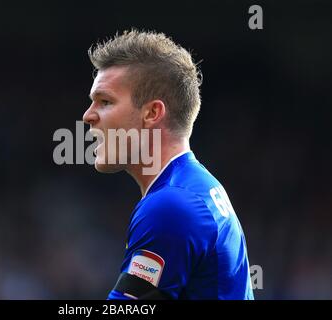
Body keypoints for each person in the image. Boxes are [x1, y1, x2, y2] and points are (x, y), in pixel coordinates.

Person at [82, 29, 254, 300]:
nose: (88, 115)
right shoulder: (197, 187)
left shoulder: (171, 206)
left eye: (105, 102)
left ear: (152, 113)